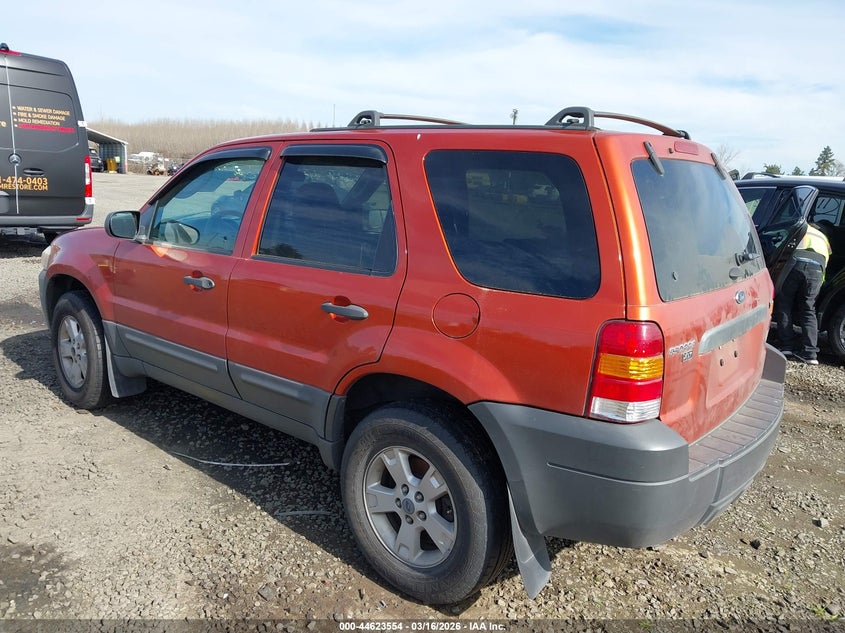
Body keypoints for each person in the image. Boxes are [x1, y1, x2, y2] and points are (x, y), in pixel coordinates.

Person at [773, 222, 832, 365]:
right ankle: (810, 353)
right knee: (808, 309)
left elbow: (782, 248)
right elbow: (826, 260)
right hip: (816, 271)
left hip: (796, 265)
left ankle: (787, 346)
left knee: (784, 304)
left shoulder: (801, 228)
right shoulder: (824, 239)